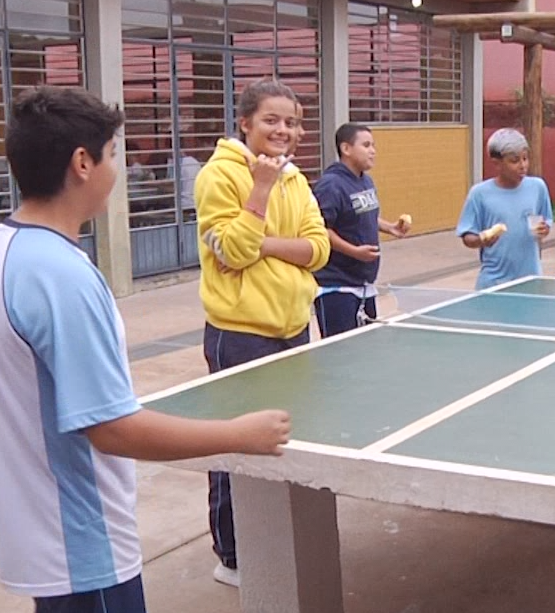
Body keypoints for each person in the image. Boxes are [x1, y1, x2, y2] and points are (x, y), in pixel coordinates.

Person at [0, 85, 291, 613]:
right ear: (83, 162)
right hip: (84, 545)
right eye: (115, 155)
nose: (119, 169)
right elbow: (111, 428)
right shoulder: (63, 276)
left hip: (38, 536)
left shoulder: (9, 249)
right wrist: (237, 435)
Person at [194, 77, 330, 587]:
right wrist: (261, 190)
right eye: (272, 120)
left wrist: (265, 243)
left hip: (294, 328)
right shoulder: (219, 176)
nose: (284, 130)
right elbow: (229, 251)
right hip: (241, 334)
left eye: (292, 122)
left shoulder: (297, 179)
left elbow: (318, 249)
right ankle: (231, 555)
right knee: (234, 445)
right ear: (245, 123)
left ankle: (273, 539)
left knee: (283, 440)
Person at [313, 123, 409, 338]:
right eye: (366, 145)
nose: (373, 151)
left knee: (364, 349)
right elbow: (320, 229)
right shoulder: (331, 185)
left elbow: (364, 214)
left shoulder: (365, 180)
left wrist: (390, 227)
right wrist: (353, 251)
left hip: (364, 285)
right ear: (346, 149)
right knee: (340, 354)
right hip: (337, 288)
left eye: (373, 145)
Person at [456, 128, 552, 290]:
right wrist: (481, 240)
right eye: (514, 161)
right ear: (497, 163)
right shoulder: (479, 193)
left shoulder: (538, 187)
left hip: (531, 279)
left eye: (525, 158)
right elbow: (467, 237)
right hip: (494, 282)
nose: (523, 166)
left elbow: (546, 221)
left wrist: (545, 229)